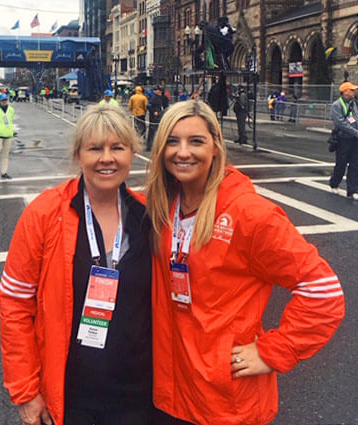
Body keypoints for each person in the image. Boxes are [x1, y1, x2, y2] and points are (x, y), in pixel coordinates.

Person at [146, 100, 345, 425]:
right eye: (172, 140)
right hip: (173, 394)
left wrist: (273, 351)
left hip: (227, 401)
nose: (183, 152)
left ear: (216, 146)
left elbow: (323, 291)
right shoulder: (165, 205)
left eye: (196, 141)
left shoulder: (249, 214)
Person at [0, 104, 153, 425]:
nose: (106, 158)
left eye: (117, 148)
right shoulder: (44, 214)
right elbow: (14, 304)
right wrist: (25, 391)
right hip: (72, 396)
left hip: (141, 394)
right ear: (78, 155)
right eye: (95, 148)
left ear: (132, 153)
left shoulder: (148, 215)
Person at [329, 81, 358, 199]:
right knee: (341, 163)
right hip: (343, 138)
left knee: (355, 165)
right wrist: (355, 132)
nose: (354, 92)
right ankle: (334, 183)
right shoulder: (337, 105)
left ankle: (352, 190)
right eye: (352, 90)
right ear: (345, 91)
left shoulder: (354, 103)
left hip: (354, 139)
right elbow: (340, 123)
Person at [146, 86, 165, 151]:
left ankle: (154, 144)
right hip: (154, 117)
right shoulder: (154, 97)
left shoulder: (159, 97)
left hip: (158, 115)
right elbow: (148, 105)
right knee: (153, 131)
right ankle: (150, 145)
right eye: (159, 90)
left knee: (156, 130)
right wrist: (154, 111)